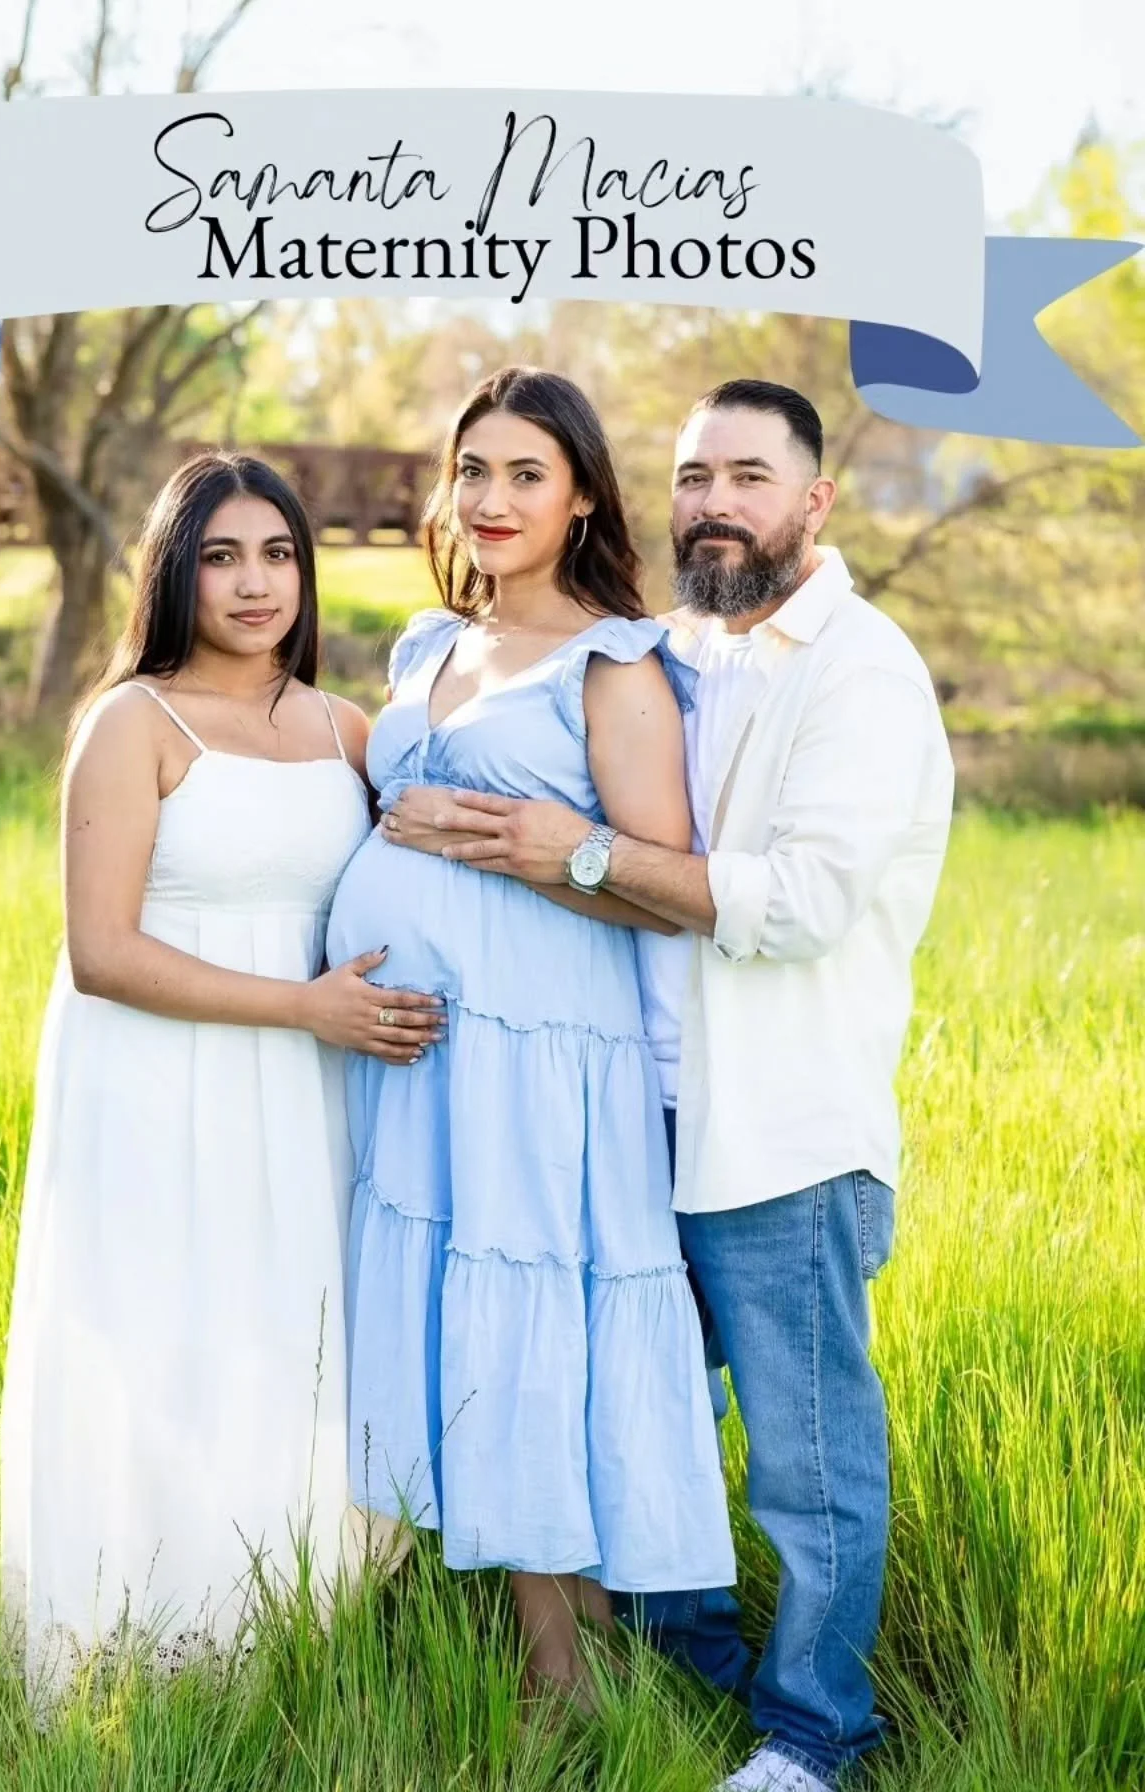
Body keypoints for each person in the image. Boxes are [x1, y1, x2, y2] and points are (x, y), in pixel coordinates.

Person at [382, 380, 955, 1792]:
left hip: (778, 1132)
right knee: (644, 1408)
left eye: (749, 477)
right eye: (696, 477)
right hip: (637, 1115)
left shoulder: (862, 671)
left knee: (806, 1459)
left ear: (815, 500)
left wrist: (572, 853)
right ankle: (688, 1672)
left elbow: (800, 902)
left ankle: (817, 1736)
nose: (716, 504)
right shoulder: (688, 642)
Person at [0, 451, 443, 1714]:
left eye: (280, 555)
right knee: (172, 1337)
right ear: (174, 572)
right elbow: (102, 953)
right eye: (223, 557)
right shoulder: (134, 722)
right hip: (161, 1081)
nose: (257, 584)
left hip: (312, 1094)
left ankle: (293, 1633)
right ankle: (144, 1653)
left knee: (297, 1339)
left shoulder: (346, 731)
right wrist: (304, 1006)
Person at [324, 366, 737, 1707]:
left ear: (581, 501)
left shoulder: (613, 663)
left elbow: (668, 889)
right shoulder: (426, 649)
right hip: (420, 1062)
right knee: (467, 1323)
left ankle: (570, 1683)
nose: (491, 500)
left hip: (539, 1052)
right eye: (473, 471)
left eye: (526, 476)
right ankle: (504, 1631)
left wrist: (527, 853)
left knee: (532, 1331)